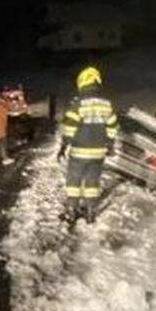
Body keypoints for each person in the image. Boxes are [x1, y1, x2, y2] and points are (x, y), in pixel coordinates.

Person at [57, 66, 118, 222]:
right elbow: (112, 126)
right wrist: (110, 145)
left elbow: (69, 126)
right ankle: (91, 213)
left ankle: (71, 211)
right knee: (92, 183)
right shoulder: (106, 103)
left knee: (74, 181)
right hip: (98, 152)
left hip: (79, 151)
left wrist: (64, 146)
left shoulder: (78, 103)